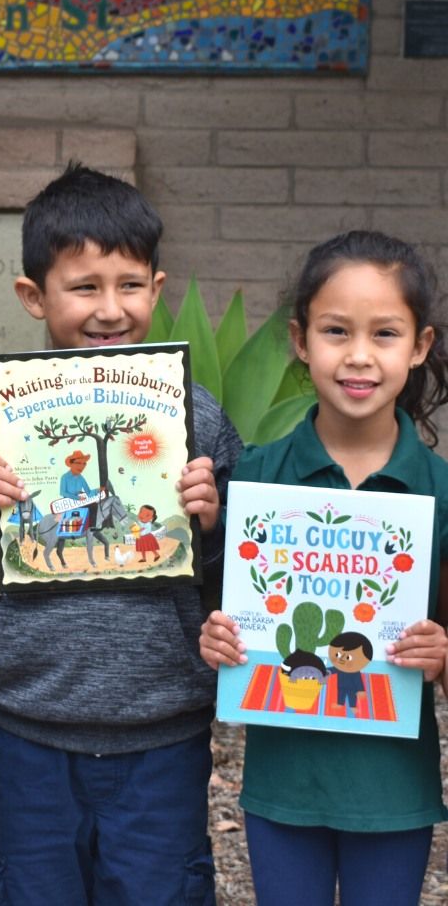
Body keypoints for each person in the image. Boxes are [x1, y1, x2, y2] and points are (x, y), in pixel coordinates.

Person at [0, 163, 243, 904]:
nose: (111, 309)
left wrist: (211, 521)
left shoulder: (194, 419)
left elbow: (232, 577)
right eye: (84, 287)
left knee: (159, 889)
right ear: (33, 295)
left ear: (157, 287)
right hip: (28, 725)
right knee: (32, 890)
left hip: (163, 724)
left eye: (130, 285)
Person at [200, 230, 448, 906]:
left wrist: (441, 653)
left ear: (420, 346)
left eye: (386, 334)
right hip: (284, 790)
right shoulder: (255, 477)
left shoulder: (439, 489)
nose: (359, 356)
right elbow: (223, 613)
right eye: (337, 331)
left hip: (394, 791)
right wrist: (217, 637)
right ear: (300, 340)